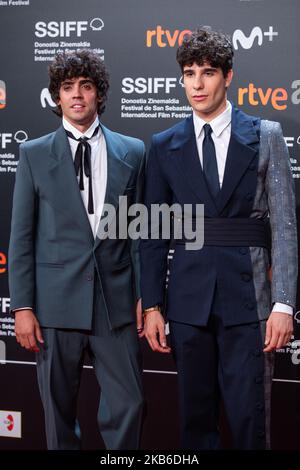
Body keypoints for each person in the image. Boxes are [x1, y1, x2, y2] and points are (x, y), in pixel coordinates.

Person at [140, 28, 297, 449]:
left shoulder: (266, 135)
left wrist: (283, 304)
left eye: (207, 73)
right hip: (188, 305)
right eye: (189, 74)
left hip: (251, 304)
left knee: (252, 421)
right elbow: (152, 233)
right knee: (194, 423)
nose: (197, 84)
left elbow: (284, 227)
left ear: (228, 76)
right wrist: (153, 303)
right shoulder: (164, 144)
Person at [9, 50, 145, 450]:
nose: (77, 95)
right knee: (58, 413)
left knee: (131, 404)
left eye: (85, 86)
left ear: (99, 94)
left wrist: (145, 297)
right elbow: (21, 237)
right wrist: (22, 307)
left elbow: (138, 234)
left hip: (115, 303)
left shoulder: (133, 150)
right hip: (53, 305)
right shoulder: (33, 153)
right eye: (67, 87)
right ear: (56, 97)